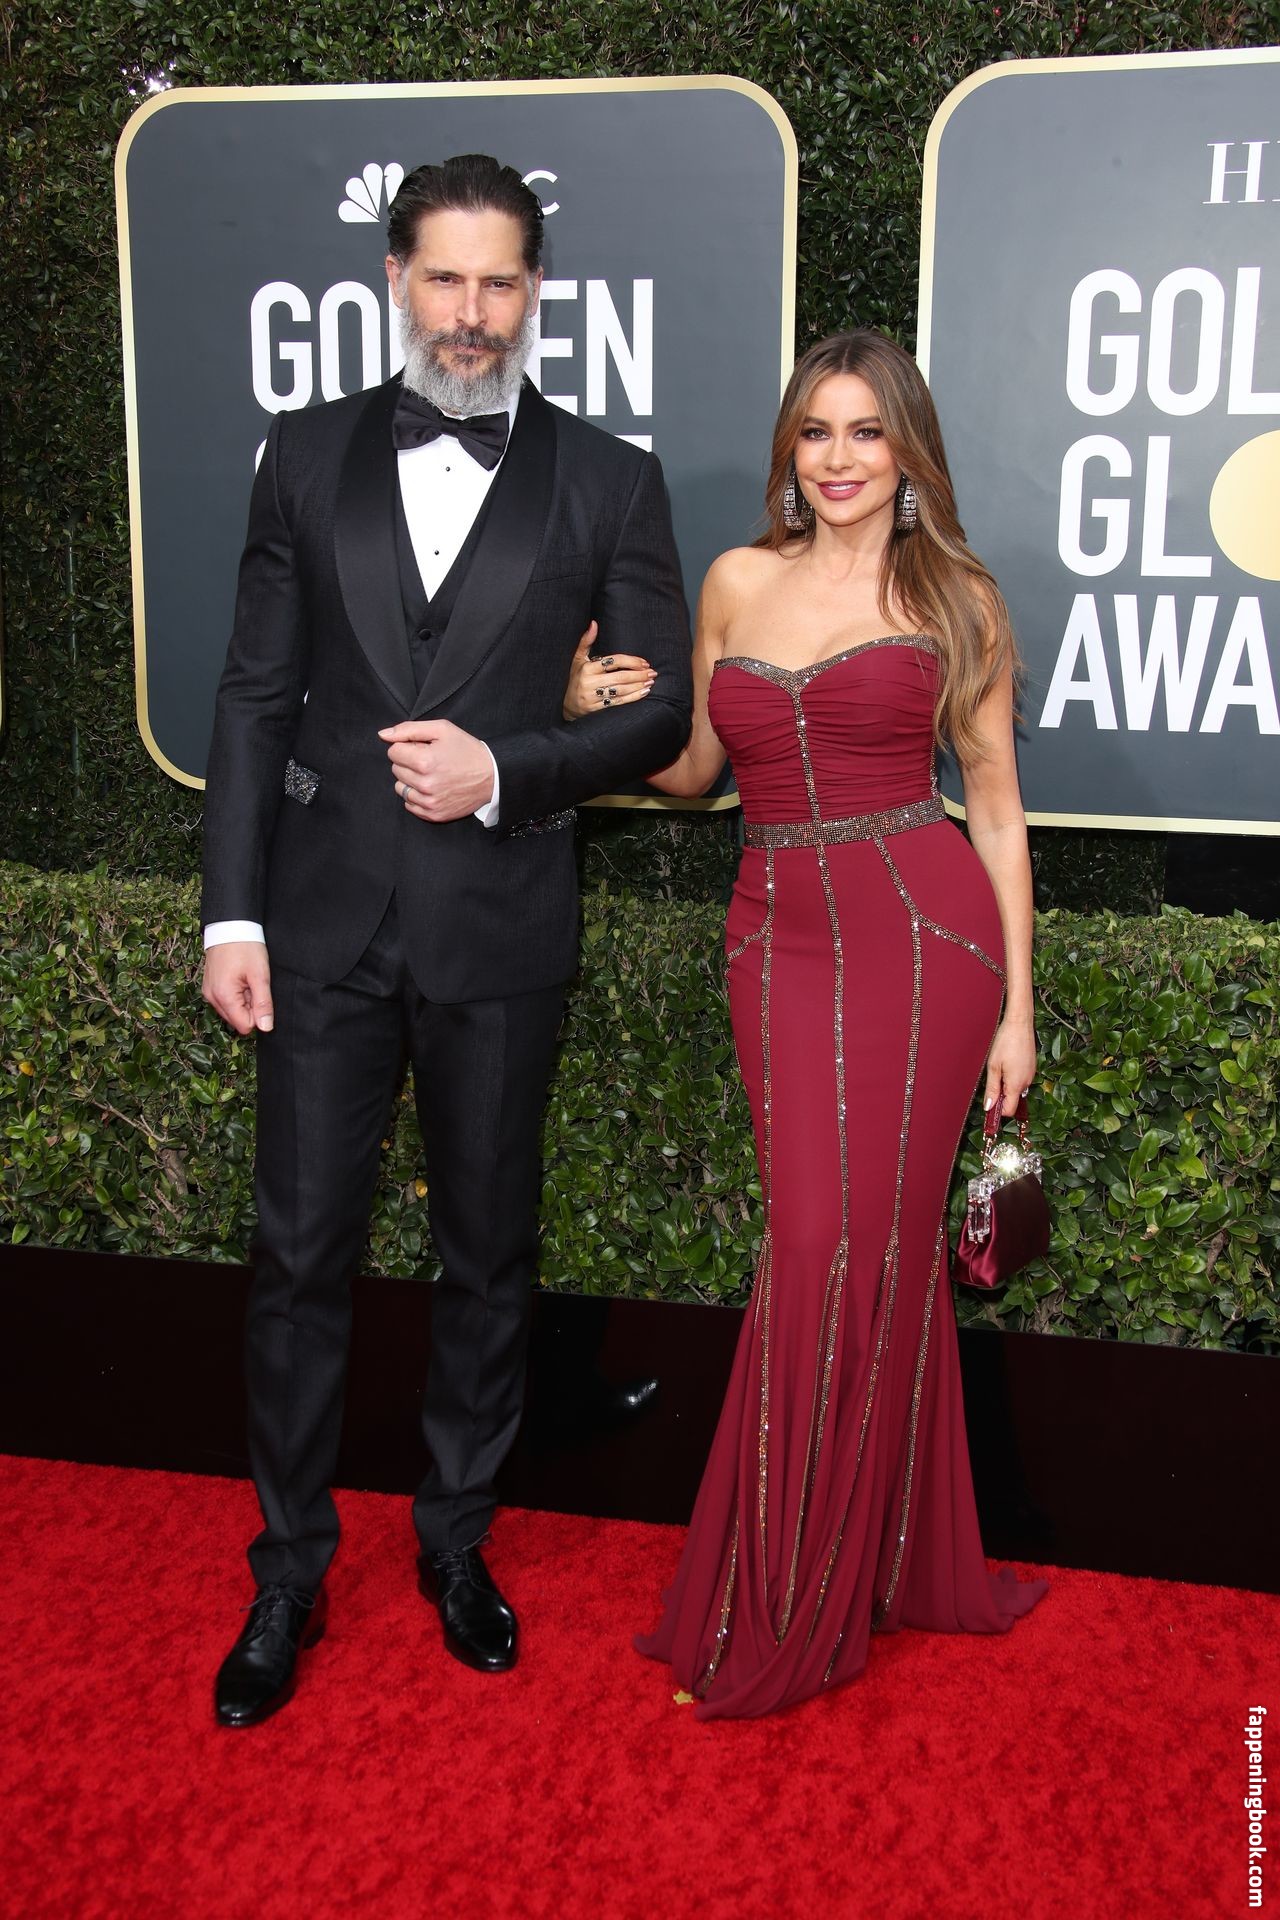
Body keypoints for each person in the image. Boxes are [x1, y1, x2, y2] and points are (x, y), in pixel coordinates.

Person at [200, 154, 692, 1727]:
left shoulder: (609, 479)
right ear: (395, 281)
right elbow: (253, 695)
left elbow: (661, 714)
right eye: (446, 278)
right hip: (321, 924)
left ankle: (457, 1542)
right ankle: (287, 1573)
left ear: (535, 292)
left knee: (487, 1254)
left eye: (501, 282)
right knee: (298, 1260)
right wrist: (230, 910)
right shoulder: (303, 454)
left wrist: (508, 770)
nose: (472, 313)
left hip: (500, 919)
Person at [566, 329, 1047, 1718]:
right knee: (836, 1243)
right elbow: (694, 772)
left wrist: (1018, 1010)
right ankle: (879, 1554)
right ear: (790, 448)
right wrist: (583, 711)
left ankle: (791, 1597)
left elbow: (997, 812)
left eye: (867, 432)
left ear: (909, 452)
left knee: (836, 1244)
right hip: (771, 940)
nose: (839, 459)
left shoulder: (955, 596)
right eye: (817, 432)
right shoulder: (736, 580)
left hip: (923, 941)